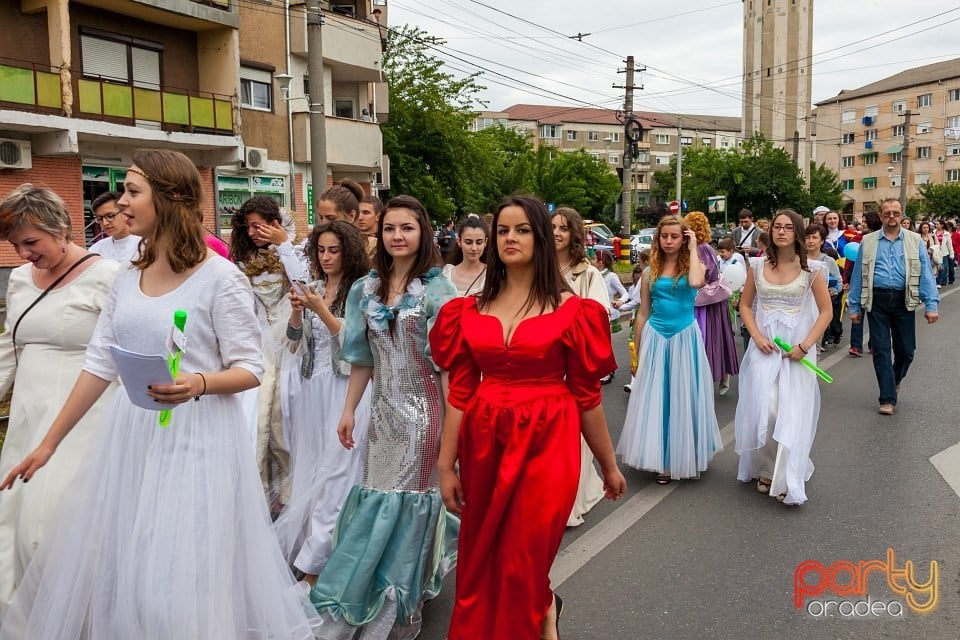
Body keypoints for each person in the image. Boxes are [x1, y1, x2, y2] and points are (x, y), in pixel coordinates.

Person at [0, 149, 319, 639]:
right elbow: (99, 363)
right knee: (126, 572)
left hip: (196, 440)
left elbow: (250, 368)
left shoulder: (220, 277)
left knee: (173, 583)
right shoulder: (129, 273)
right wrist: (48, 444)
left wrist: (199, 384)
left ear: (169, 198)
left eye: (132, 191)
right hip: (130, 437)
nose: (120, 204)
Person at [430, 195, 626, 640]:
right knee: (483, 557)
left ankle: (537, 611)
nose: (510, 238)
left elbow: (587, 396)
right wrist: (445, 466)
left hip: (549, 440)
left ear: (540, 237)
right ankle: (542, 608)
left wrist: (608, 465)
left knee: (525, 555)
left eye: (521, 230)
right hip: (485, 441)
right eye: (503, 230)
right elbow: (460, 393)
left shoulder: (575, 310)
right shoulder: (467, 308)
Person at [308, 195, 458, 640]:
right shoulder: (363, 290)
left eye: (407, 228)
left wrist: (455, 428)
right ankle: (373, 588)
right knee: (374, 496)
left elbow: (448, 366)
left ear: (422, 233)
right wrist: (349, 410)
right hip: (382, 411)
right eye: (390, 228)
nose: (397, 236)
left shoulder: (438, 291)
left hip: (425, 414)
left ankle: (396, 600)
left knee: (404, 504)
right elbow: (361, 357)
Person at [0, 185, 119, 614]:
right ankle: (20, 618)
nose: (22, 253)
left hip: (84, 417)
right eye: (14, 244)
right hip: (29, 415)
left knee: (50, 523)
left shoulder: (108, 276)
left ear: (62, 229)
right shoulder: (17, 279)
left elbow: (120, 353)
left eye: (31, 242)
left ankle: (71, 615)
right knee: (12, 518)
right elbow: (11, 346)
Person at [273, 220, 371, 585]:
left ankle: (316, 565)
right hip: (313, 388)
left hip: (347, 389)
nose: (327, 257)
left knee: (337, 475)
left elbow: (358, 347)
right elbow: (294, 343)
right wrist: (298, 312)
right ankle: (311, 554)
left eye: (334, 250)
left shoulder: (360, 291)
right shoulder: (312, 286)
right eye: (321, 250)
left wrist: (322, 310)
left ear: (349, 252)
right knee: (312, 472)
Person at [735, 209, 833, 505]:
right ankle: (766, 467)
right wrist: (756, 335)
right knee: (766, 407)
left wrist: (805, 345)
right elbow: (745, 306)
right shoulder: (756, 266)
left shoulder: (812, 270)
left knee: (789, 411)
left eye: (788, 227)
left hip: (796, 349)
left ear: (797, 233)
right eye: (777, 226)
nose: (781, 231)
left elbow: (826, 311)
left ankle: (785, 473)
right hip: (765, 346)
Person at [616, 215, 723, 485]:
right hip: (655, 337)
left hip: (684, 337)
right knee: (657, 397)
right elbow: (642, 313)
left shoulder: (692, 265)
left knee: (683, 395)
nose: (668, 241)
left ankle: (684, 453)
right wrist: (637, 351)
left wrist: (693, 244)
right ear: (658, 238)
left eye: (675, 236)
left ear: (684, 238)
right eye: (664, 236)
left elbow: (699, 283)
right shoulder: (652, 268)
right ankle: (661, 458)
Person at [231, 196, 308, 512]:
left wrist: (285, 245)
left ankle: (290, 489)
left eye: (258, 225)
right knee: (258, 415)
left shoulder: (298, 252)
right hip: (259, 342)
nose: (252, 232)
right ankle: (259, 491)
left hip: (292, 343)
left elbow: (305, 286)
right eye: (248, 226)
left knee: (285, 418)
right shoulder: (242, 262)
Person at [848, 198, 939, 416]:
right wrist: (854, 307)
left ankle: (894, 380)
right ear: (880, 216)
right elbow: (858, 275)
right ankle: (887, 398)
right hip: (876, 300)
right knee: (880, 350)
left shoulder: (914, 240)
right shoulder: (868, 241)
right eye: (887, 213)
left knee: (907, 351)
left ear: (901, 215)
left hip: (903, 300)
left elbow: (925, 273)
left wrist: (931, 304)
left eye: (895, 213)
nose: (891, 217)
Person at [551, 206, 610, 525]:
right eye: (552, 227)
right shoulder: (537, 269)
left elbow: (598, 316)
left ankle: (573, 498)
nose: (557, 232)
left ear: (574, 234)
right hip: (542, 360)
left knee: (574, 431)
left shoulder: (587, 273)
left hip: (572, 360)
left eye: (563, 228)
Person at [685, 211, 739, 396]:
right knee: (715, 339)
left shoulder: (700, 249)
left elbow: (705, 277)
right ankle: (718, 375)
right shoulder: (706, 247)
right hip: (709, 301)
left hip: (704, 302)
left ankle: (705, 378)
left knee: (705, 340)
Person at [847, 210, 881, 357]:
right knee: (857, 313)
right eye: (862, 222)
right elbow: (850, 260)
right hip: (859, 281)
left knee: (875, 316)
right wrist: (846, 279)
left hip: (875, 283)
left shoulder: (882, 239)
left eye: (866, 222)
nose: (863, 225)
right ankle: (855, 346)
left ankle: (874, 343)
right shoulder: (857, 239)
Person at [88, 191, 141, 263]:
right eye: (100, 218)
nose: (105, 223)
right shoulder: (96, 250)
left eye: (110, 216)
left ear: (126, 213)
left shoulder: (145, 246)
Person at [442, 214, 488, 296]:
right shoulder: (446, 274)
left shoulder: (491, 275)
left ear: (485, 242)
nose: (474, 248)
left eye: (479, 242)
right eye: (468, 242)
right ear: (459, 241)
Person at [596, 249, 628, 334]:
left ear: (600, 262)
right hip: (594, 312)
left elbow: (625, 293)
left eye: (593, 259)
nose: (590, 261)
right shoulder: (592, 275)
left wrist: (620, 301)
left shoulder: (611, 276)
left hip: (607, 313)